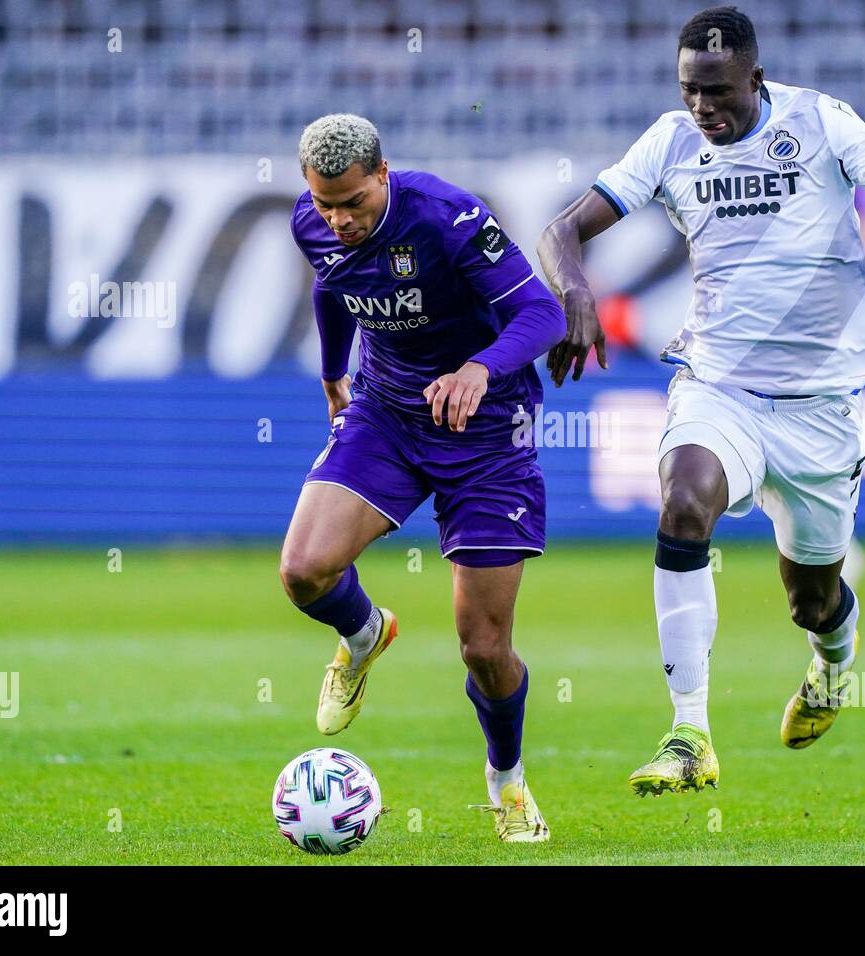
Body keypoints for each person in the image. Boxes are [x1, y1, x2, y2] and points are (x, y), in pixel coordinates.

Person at [538, 6, 865, 795]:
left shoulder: (819, 121)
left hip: (819, 410)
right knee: (684, 505)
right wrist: (574, 293)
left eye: (720, 92)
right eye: (691, 91)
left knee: (812, 600)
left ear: (756, 80)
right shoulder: (669, 143)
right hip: (719, 388)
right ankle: (690, 731)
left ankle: (833, 666)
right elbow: (561, 230)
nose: (705, 108)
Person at [282, 114, 566, 840]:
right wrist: (330, 371)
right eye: (325, 205)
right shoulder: (311, 225)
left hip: (487, 432)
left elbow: (542, 313)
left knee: (483, 647)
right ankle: (365, 632)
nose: (340, 220)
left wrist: (479, 368)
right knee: (305, 571)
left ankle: (506, 779)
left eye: (354, 203)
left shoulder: (449, 218)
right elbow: (331, 286)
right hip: (387, 412)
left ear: (383, 174)